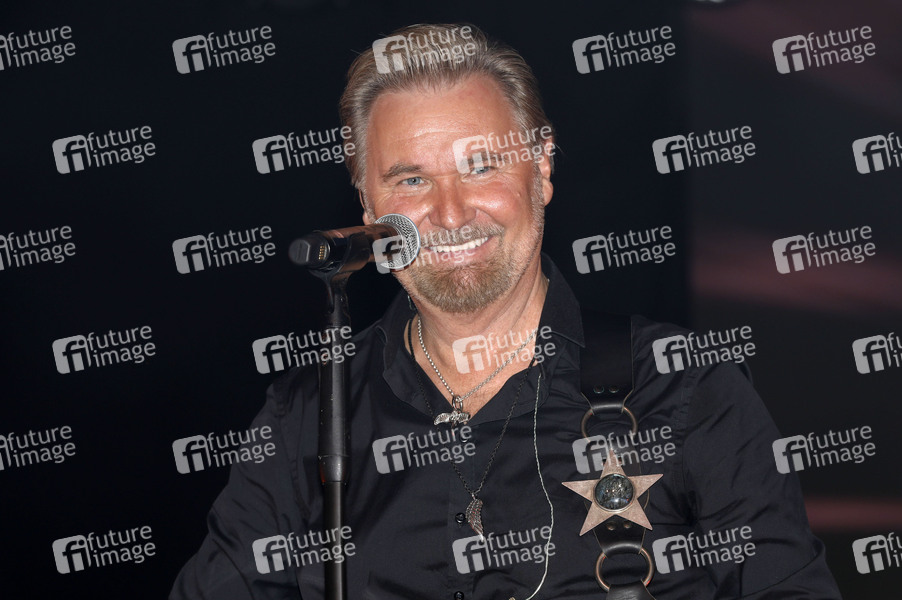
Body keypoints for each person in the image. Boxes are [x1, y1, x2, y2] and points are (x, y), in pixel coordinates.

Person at [171, 23, 842, 599]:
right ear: (369, 205)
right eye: (412, 179)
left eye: (481, 166)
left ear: (541, 169)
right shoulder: (308, 416)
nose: (450, 212)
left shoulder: (684, 386)